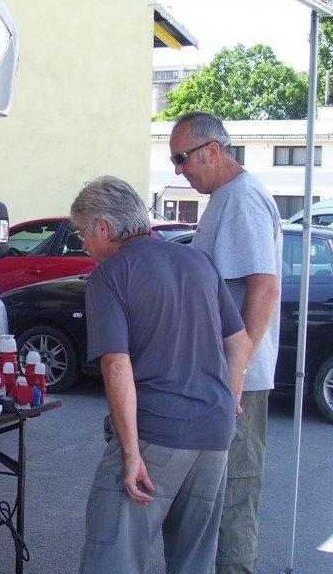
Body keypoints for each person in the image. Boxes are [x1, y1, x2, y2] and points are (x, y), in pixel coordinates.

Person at [72, 176, 251, 573]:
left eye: (82, 232)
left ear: (102, 228)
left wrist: (131, 455)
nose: (83, 243)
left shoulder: (110, 275)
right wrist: (231, 396)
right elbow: (239, 341)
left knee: (113, 554)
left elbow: (116, 364)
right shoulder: (197, 261)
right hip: (214, 431)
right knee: (194, 560)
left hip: (157, 433)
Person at [169, 112, 282, 574]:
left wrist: (237, 372)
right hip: (221, 377)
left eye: (182, 158)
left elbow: (264, 288)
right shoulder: (224, 196)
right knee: (212, 494)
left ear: (212, 151)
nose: (179, 169)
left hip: (236, 383)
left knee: (234, 491)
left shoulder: (241, 198)